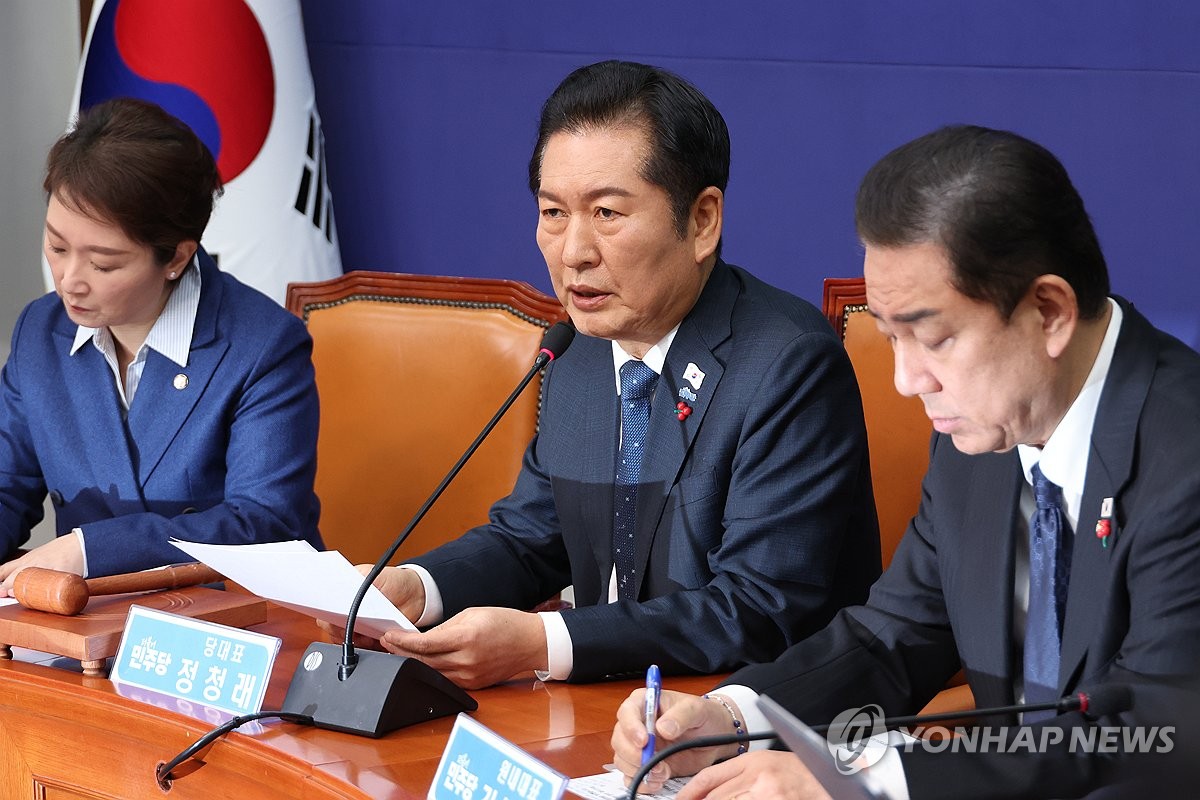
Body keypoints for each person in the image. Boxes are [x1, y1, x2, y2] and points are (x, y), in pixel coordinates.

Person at [610, 125, 1200, 799]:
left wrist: (859, 780)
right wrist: (729, 720)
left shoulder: (1184, 461)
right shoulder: (982, 432)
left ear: (1050, 312)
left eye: (934, 339)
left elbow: (1149, 734)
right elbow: (893, 636)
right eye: (892, 338)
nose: (906, 381)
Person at [359, 60, 881, 689]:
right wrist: (417, 589)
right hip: (606, 704)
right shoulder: (579, 351)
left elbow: (758, 608)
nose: (574, 251)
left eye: (606, 212)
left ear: (702, 221)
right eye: (553, 212)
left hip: (747, 714)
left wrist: (543, 642)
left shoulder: (788, 364)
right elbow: (533, 537)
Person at [0, 97, 323, 589]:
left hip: (232, 613)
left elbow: (264, 523)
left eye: (103, 264)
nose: (68, 280)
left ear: (175, 257)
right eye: (57, 246)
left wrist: (91, 550)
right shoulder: (40, 331)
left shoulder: (263, 346)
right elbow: (7, 486)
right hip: (87, 614)